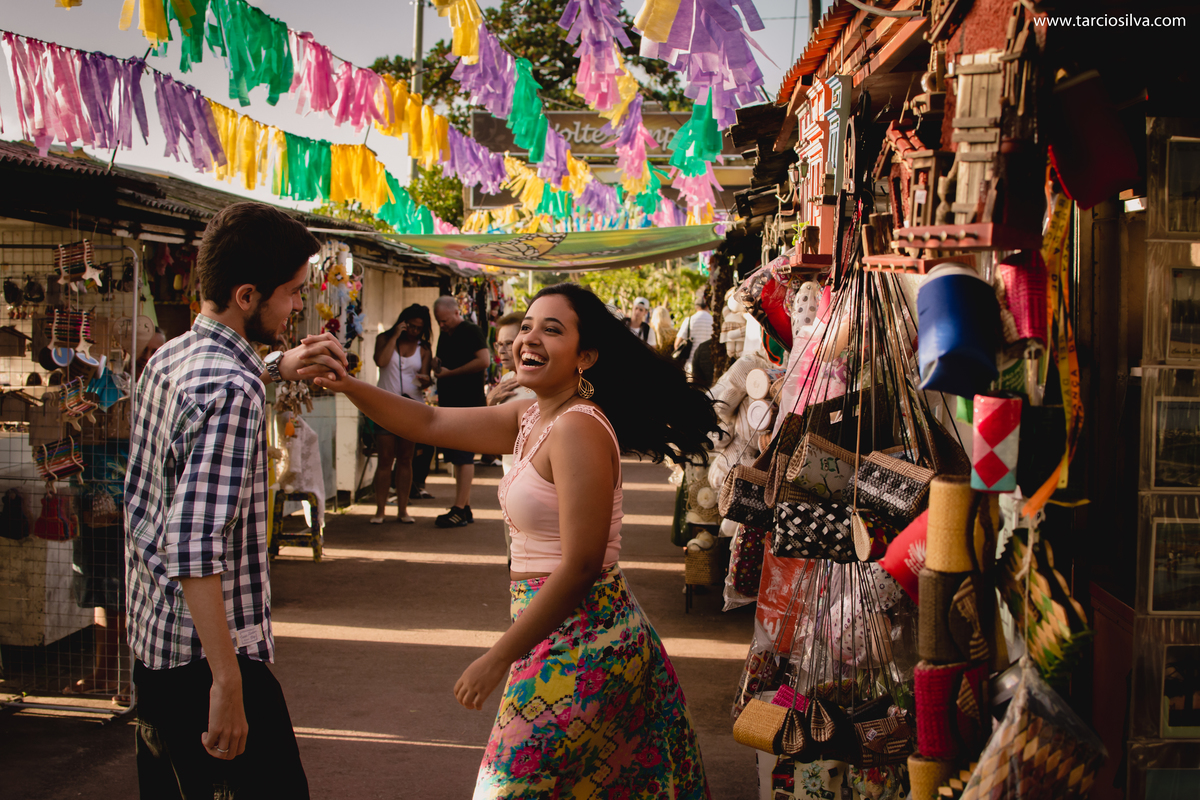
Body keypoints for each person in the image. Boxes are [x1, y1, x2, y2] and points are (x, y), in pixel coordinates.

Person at [313, 282, 719, 798]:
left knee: (507, 788)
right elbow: (430, 419)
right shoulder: (531, 417)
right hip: (551, 632)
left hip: (587, 640)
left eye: (553, 329)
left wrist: (496, 657)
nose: (529, 337)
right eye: (527, 325)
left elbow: (581, 565)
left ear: (585, 356)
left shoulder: (578, 428)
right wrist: (350, 386)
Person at [124, 202, 347, 799]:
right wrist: (227, 683)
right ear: (248, 295)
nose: (299, 306)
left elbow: (226, 371)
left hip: (156, 644)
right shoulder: (235, 388)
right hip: (206, 657)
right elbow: (193, 543)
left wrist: (278, 363)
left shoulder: (170, 357)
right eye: (293, 293)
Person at [370, 304, 432, 524]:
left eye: (419, 328)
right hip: (385, 405)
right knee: (385, 458)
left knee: (406, 459)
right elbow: (381, 362)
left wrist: (427, 379)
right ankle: (380, 510)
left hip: (411, 405)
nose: (414, 331)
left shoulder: (423, 347)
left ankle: (403, 509)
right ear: (403, 322)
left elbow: (426, 377)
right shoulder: (385, 339)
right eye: (411, 326)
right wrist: (395, 334)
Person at [432, 295, 490, 528]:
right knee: (456, 457)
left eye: (445, 320)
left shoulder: (470, 330)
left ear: (457, 313)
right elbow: (442, 362)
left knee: (464, 456)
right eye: (439, 322)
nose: (442, 325)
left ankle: (459, 507)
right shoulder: (446, 335)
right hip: (449, 402)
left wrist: (451, 373)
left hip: (468, 403)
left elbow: (484, 360)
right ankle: (463, 507)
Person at [674, 287, 714, 378]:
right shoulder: (713, 321)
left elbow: (677, 344)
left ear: (696, 307)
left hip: (691, 365)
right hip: (709, 365)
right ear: (707, 306)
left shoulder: (689, 320)